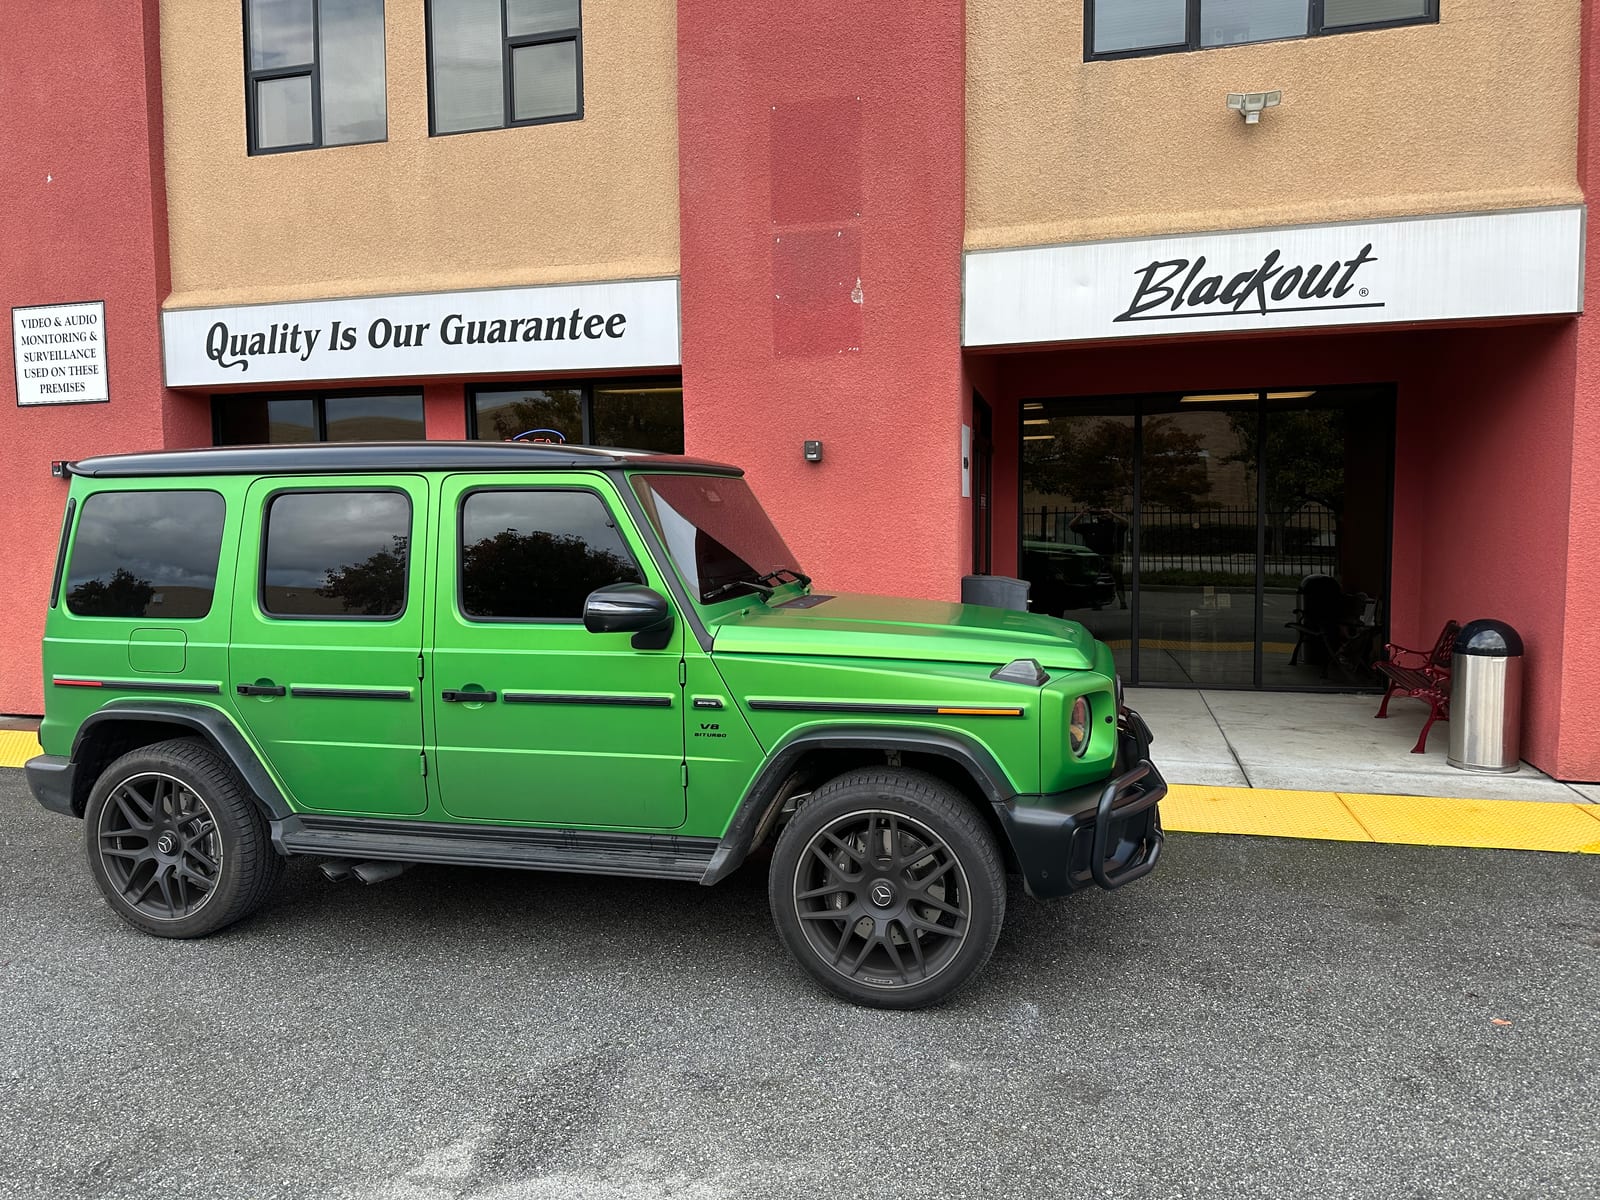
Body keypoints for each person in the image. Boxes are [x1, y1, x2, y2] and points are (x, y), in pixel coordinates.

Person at [1069, 506, 1129, 609]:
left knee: (1118, 579)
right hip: (1095, 557)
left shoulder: (1116, 527)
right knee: (1095, 580)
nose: (1104, 515)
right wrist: (1081, 514)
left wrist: (1113, 513)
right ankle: (1097, 602)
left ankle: (1123, 602)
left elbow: (1126, 523)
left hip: (1112, 556)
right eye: (1101, 513)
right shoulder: (1090, 527)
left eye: (1106, 513)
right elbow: (1072, 526)